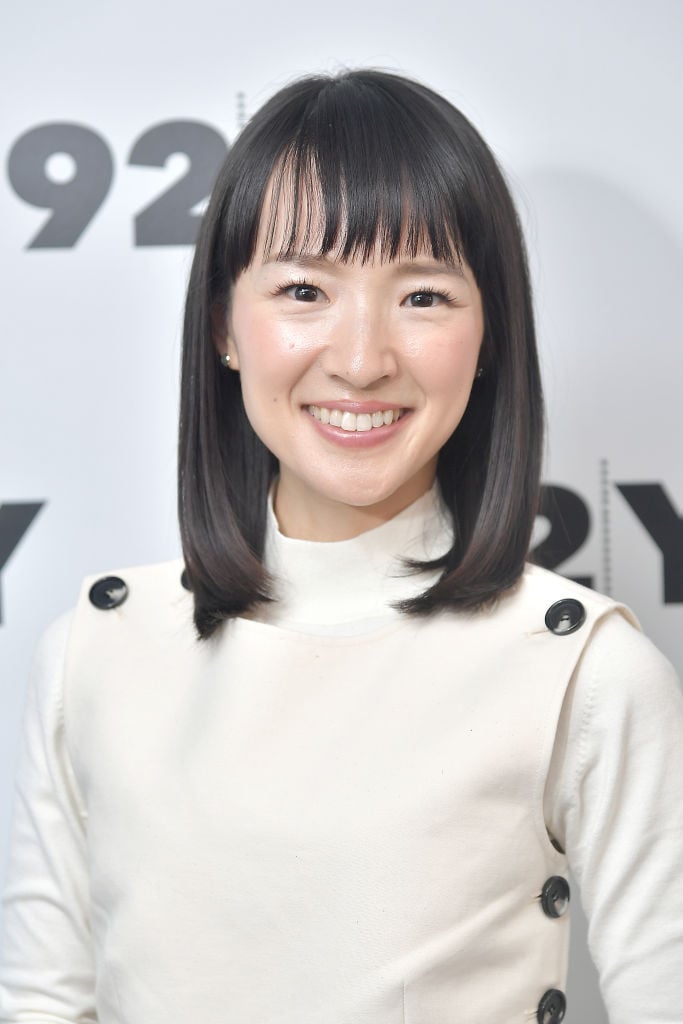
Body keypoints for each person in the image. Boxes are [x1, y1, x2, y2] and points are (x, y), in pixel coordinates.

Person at [0, 69, 681, 1024]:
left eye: (424, 297)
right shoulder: (95, 649)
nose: (361, 359)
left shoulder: (588, 671)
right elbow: (41, 1003)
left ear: (488, 337)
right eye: (304, 289)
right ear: (224, 328)